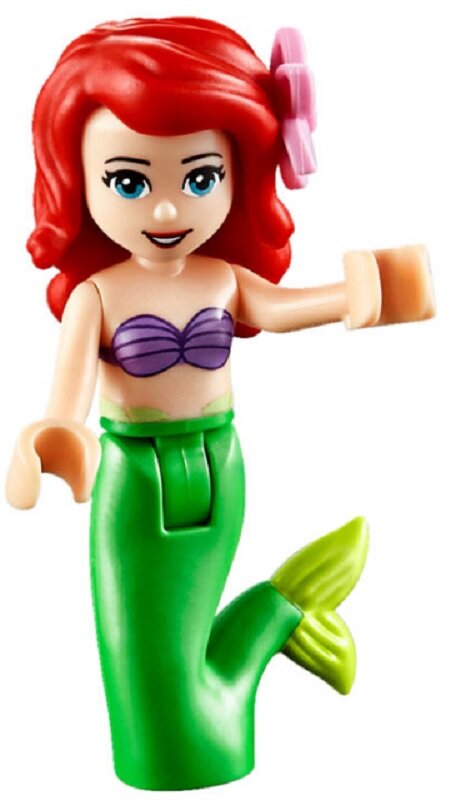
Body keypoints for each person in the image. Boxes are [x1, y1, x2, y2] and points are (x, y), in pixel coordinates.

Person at [5, 18, 434, 790]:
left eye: (198, 179)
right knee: (144, 654)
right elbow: (65, 394)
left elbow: (282, 310)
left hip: (221, 463)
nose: (168, 212)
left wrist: (364, 293)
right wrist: (55, 435)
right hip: (134, 481)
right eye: (129, 182)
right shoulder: (97, 295)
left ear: (238, 174)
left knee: (182, 624)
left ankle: (268, 634)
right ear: (78, 178)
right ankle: (272, 627)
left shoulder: (222, 279)